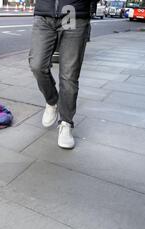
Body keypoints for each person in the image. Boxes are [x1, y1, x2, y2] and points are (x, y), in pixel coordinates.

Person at [29, 0, 98, 149]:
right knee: (37, 65)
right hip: (44, 14)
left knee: (69, 74)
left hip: (73, 13)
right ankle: (52, 100)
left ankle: (66, 123)